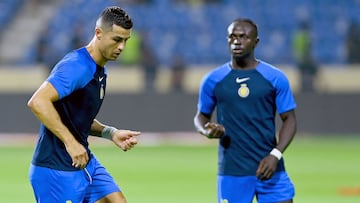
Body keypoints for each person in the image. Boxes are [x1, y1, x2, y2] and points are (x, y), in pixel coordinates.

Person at [27, 6, 141, 203]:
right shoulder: (76, 66)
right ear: (98, 33)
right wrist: (71, 143)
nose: (122, 47)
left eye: (125, 40)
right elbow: (38, 101)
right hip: (56, 169)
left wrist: (110, 133)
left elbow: (77, 119)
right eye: (116, 39)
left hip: (83, 161)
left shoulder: (99, 70)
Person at [193, 18, 297, 203]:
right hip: (233, 171)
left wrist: (275, 155)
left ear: (256, 42)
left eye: (243, 37)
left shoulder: (274, 77)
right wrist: (206, 130)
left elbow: (290, 119)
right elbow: (201, 116)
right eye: (232, 37)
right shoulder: (213, 79)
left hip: (270, 167)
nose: (236, 41)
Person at [292, 20, 318, 93]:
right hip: (305, 58)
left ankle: (302, 87)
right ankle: (311, 86)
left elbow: (294, 48)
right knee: (312, 71)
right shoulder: (306, 36)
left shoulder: (296, 36)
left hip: (298, 59)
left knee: (302, 73)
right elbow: (308, 48)